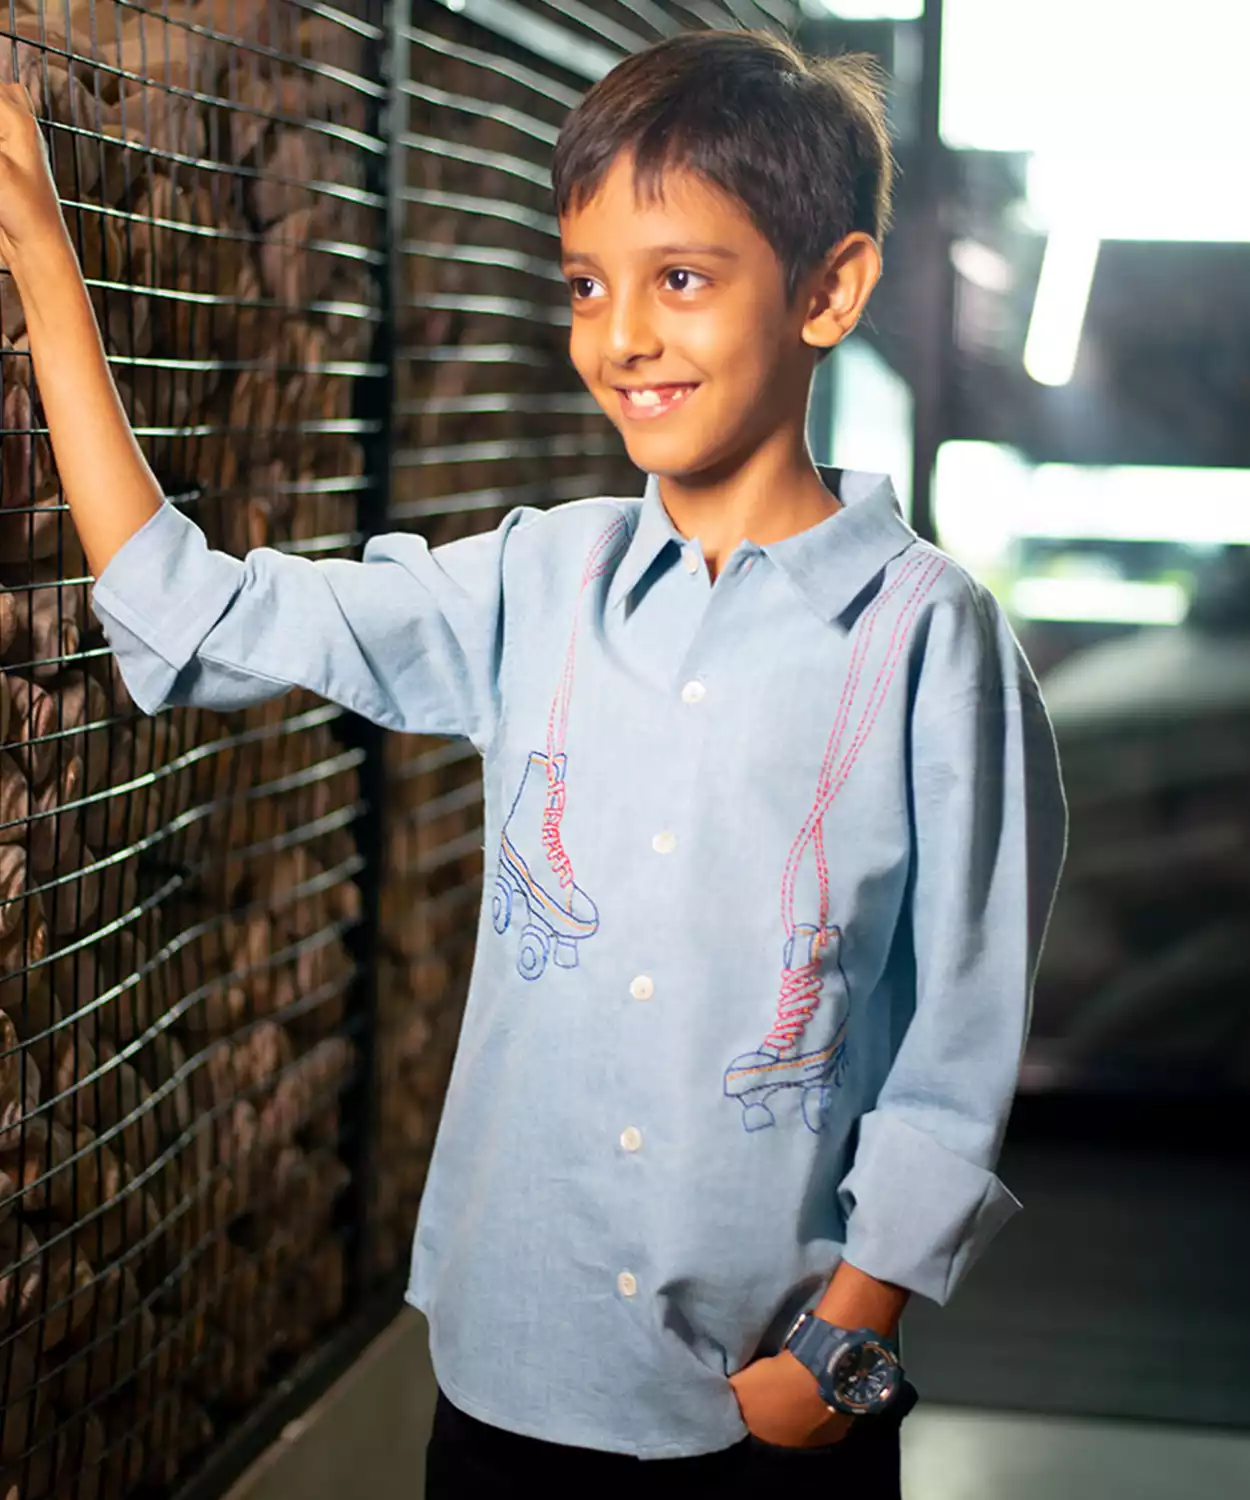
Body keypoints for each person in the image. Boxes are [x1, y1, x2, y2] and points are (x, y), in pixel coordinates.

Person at [0, 28, 1066, 1498]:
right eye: (585, 284)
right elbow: (195, 613)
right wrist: (47, 266)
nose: (619, 334)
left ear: (831, 288)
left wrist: (845, 1342)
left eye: (679, 279)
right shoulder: (530, 587)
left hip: (770, 1408)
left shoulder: (930, 645)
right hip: (505, 1390)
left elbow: (957, 1038)